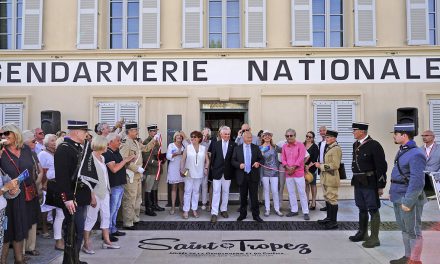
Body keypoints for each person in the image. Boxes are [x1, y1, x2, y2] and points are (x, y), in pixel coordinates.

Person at [55, 120, 92, 264]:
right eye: (84, 131)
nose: (86, 134)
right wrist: (67, 198)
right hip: (72, 198)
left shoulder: (78, 147)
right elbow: (62, 177)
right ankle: (70, 261)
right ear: (76, 132)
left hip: (80, 197)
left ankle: (75, 259)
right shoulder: (64, 149)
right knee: (72, 231)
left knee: (78, 231)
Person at [389, 123, 427, 264]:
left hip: (409, 198)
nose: (394, 136)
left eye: (396, 134)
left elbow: (417, 181)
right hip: (398, 195)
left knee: (413, 231)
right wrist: (392, 193)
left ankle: (415, 260)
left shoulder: (416, 153)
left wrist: (408, 201)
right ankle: (407, 257)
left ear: (404, 135)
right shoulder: (403, 150)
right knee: (404, 229)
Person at [0, 124, 38, 264]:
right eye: (1, 134)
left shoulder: (26, 149)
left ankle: (19, 259)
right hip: (7, 196)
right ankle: (2, 260)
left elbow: (32, 169)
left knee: (21, 226)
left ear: (16, 134)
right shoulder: (1, 151)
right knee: (6, 229)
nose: (3, 136)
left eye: (6, 133)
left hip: (25, 194)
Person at [349, 122, 388, 249]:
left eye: (355, 130)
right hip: (358, 181)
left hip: (370, 181)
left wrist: (380, 185)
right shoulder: (356, 144)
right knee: (361, 207)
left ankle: (374, 237)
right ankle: (363, 233)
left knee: (373, 208)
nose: (353, 132)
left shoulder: (374, 145)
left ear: (362, 131)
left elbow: (381, 166)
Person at [82, 136, 120, 254]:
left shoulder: (102, 158)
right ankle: (86, 243)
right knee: (91, 218)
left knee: (106, 216)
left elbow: (104, 176)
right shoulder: (89, 158)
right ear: (100, 145)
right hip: (95, 193)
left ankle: (107, 241)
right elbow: (85, 178)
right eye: (105, 145)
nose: (107, 146)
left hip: (105, 192)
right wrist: (92, 196)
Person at [120, 122, 155, 229]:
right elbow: (124, 160)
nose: (137, 132)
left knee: (137, 199)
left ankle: (135, 218)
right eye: (135, 130)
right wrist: (137, 168)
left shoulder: (135, 141)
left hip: (138, 175)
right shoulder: (126, 143)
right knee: (129, 199)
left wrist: (154, 139)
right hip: (130, 175)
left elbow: (145, 148)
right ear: (129, 131)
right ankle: (128, 222)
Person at [103, 133, 134, 239]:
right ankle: (107, 233)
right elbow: (114, 169)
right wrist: (125, 160)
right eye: (118, 141)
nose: (120, 142)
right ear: (110, 142)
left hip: (119, 184)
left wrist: (128, 160)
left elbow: (120, 164)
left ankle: (113, 228)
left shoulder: (116, 152)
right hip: (113, 185)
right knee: (111, 209)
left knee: (116, 208)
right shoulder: (107, 153)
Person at [38, 134, 65, 251]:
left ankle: (56, 232)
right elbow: (41, 171)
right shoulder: (43, 154)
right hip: (48, 185)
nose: (54, 143)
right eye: (52, 141)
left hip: (58, 184)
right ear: (46, 143)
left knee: (57, 211)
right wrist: (43, 185)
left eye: (55, 140)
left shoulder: (56, 153)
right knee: (46, 208)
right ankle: (45, 229)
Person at [232, 131, 264, 223]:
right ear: (243, 138)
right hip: (242, 176)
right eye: (248, 138)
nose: (250, 139)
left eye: (251, 137)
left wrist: (258, 163)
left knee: (254, 197)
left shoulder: (256, 148)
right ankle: (242, 215)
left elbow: (261, 159)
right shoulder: (237, 148)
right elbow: (233, 160)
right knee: (243, 197)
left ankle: (256, 215)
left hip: (253, 175)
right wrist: (239, 165)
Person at [314, 129, 342, 230]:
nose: (326, 139)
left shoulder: (336, 149)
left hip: (331, 177)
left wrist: (321, 166)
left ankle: (333, 222)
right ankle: (329, 218)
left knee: (332, 199)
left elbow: (335, 165)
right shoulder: (330, 147)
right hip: (326, 176)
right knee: (327, 197)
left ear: (334, 138)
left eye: (328, 137)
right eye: (326, 137)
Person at [21, 130, 43, 257]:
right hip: (23, 190)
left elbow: (40, 170)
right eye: (33, 141)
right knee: (24, 220)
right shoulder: (19, 154)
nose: (35, 143)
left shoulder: (33, 153)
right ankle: (22, 251)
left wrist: (37, 182)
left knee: (33, 218)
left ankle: (31, 247)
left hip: (33, 188)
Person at [180, 131, 209, 219]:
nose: (192, 138)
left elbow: (207, 160)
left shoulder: (203, 148)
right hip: (188, 172)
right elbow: (183, 160)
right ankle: (186, 210)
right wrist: (182, 169)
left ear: (199, 138)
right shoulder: (187, 147)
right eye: (191, 136)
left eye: (194, 137)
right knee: (188, 191)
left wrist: (206, 168)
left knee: (196, 192)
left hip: (199, 173)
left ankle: (194, 209)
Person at [209, 126, 236, 223]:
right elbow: (212, 159)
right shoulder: (215, 144)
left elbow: (234, 159)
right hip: (217, 172)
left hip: (228, 173)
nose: (227, 136)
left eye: (229, 134)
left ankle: (223, 209)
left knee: (225, 192)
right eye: (225, 134)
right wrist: (213, 170)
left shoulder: (234, 144)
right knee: (216, 192)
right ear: (221, 134)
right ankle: (214, 213)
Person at [281, 129, 309, 220]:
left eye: (291, 135)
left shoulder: (300, 145)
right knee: (291, 192)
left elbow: (301, 158)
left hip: (299, 173)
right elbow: (283, 158)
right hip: (288, 173)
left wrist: (293, 168)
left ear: (295, 135)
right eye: (287, 136)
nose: (289, 137)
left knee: (302, 192)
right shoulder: (284, 146)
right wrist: (287, 167)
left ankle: (305, 212)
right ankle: (294, 210)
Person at [142, 124, 165, 216]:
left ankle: (155, 205)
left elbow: (157, 154)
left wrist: (162, 158)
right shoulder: (146, 142)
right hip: (150, 170)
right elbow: (146, 158)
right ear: (149, 132)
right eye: (153, 131)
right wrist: (158, 163)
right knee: (148, 189)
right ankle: (148, 208)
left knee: (155, 187)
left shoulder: (156, 142)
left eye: (156, 131)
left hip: (157, 169)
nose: (155, 133)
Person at [260, 130, 283, 217]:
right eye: (265, 135)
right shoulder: (260, 147)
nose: (267, 137)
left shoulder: (275, 147)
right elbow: (258, 159)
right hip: (264, 171)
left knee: (274, 191)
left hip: (274, 171)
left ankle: (277, 209)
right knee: (266, 191)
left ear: (271, 137)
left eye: (268, 135)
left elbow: (285, 151)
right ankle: (267, 209)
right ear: (262, 137)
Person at [166, 131, 185, 215]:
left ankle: (181, 205)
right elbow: (168, 156)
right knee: (174, 187)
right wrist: (176, 154)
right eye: (177, 136)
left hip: (183, 168)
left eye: (180, 136)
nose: (179, 137)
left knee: (182, 187)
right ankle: (173, 206)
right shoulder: (171, 145)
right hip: (173, 168)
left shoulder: (184, 145)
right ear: (175, 137)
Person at [304, 131, 319, 210]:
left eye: (310, 137)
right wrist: (304, 166)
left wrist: (308, 166)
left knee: (312, 184)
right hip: (303, 168)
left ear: (313, 138)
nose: (308, 138)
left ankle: (313, 201)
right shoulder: (302, 145)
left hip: (312, 168)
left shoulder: (315, 146)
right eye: (307, 136)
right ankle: (306, 200)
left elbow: (315, 159)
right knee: (306, 184)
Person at [200, 127, 212, 211]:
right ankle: (195, 201)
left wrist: (208, 153)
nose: (205, 136)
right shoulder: (197, 142)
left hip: (206, 165)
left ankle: (204, 202)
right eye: (203, 134)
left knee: (204, 184)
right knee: (196, 185)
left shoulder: (211, 143)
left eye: (207, 134)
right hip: (196, 165)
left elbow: (212, 154)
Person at [317, 126, 328, 211]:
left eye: (323, 130)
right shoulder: (320, 143)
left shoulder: (330, 143)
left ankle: (331, 206)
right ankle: (327, 204)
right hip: (321, 167)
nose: (322, 132)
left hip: (328, 168)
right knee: (323, 186)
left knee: (329, 187)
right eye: (320, 131)